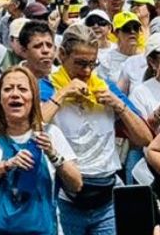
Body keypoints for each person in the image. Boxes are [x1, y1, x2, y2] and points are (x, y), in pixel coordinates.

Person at [46, 23, 151, 235]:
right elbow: (32, 127)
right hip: (65, 196)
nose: (86, 71)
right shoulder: (47, 86)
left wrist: (119, 105)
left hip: (107, 196)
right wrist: (62, 94)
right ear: (62, 54)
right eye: (80, 64)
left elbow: (145, 138)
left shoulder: (105, 87)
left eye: (92, 64)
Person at [0, 67, 81, 235]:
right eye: (7, 89)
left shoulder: (51, 133)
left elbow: (76, 184)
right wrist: (7, 164)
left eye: (22, 89)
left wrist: (53, 154)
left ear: (33, 98)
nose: (15, 94)